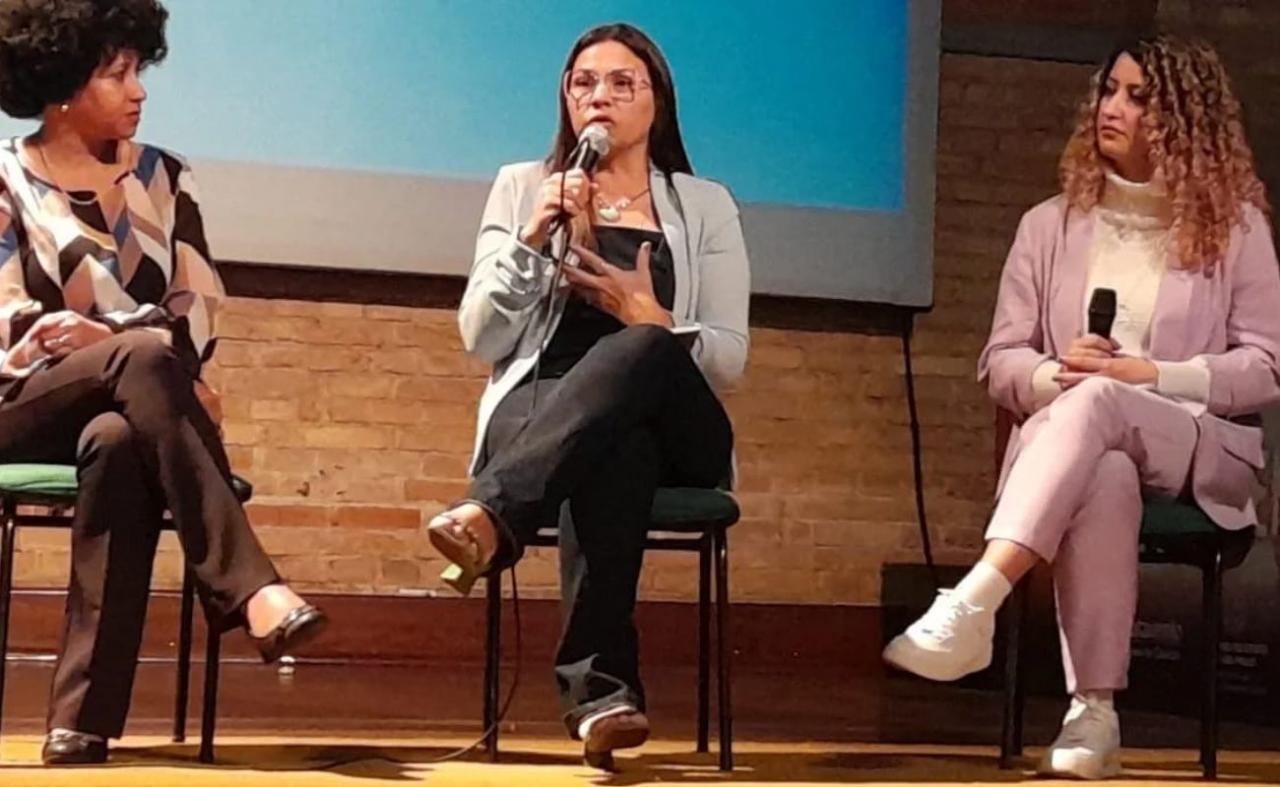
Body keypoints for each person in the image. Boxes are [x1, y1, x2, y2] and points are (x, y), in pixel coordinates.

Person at [884, 35, 1277, 780]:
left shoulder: (1239, 229)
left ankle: (976, 600)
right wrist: (1053, 377)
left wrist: (1151, 372)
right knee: (1102, 472)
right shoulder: (1048, 225)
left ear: (1186, 120)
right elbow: (1001, 361)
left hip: (1193, 450)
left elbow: (1264, 366)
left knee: (1103, 400)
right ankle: (1092, 712)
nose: (1113, 108)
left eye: (1138, 97)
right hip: (1083, 450)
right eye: (1109, 91)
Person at [0, 0, 327, 764]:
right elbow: (13, 323)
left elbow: (198, 318)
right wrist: (126, 341)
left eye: (140, 68)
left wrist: (109, 336)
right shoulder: (6, 178)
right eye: (117, 72)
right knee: (144, 362)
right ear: (60, 83)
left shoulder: (165, 177)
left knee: (120, 439)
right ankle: (250, 588)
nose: (139, 88)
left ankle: (80, 722)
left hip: (130, 404)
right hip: (23, 401)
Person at [428, 22, 750, 769]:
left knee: (638, 349)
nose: (598, 97)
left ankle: (493, 512)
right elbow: (480, 337)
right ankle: (602, 696)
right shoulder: (522, 185)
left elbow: (731, 358)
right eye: (582, 84)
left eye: (620, 83)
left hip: (681, 418)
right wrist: (531, 236)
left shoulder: (704, 205)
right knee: (615, 444)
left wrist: (659, 323)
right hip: (547, 400)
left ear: (657, 104)